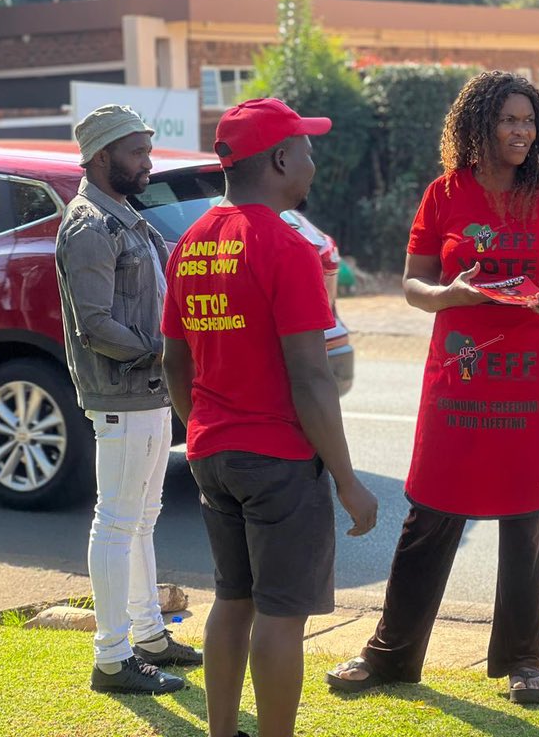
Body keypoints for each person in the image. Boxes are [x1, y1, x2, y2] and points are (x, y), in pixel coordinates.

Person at [326, 70, 539, 704]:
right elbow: (414, 285)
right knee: (432, 507)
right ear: (478, 126)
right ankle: (391, 656)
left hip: (534, 377)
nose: (521, 131)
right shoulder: (444, 194)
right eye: (508, 120)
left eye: (529, 120)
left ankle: (525, 662)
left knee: (527, 513)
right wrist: (453, 293)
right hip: (462, 378)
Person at [161, 97, 378, 737]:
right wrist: (346, 478)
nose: (312, 159)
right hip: (279, 462)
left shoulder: (192, 242)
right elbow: (312, 377)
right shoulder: (286, 248)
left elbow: (175, 360)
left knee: (234, 600)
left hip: (213, 454)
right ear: (281, 159)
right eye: (306, 149)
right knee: (282, 617)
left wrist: (202, 429)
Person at [55, 104, 202, 695]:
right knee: (116, 524)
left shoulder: (121, 215)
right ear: (100, 157)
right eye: (137, 152)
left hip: (146, 391)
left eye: (147, 149)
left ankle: (147, 636)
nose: (148, 162)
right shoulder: (90, 224)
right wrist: (160, 353)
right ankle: (113, 657)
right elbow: (94, 323)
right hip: (123, 391)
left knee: (140, 520)